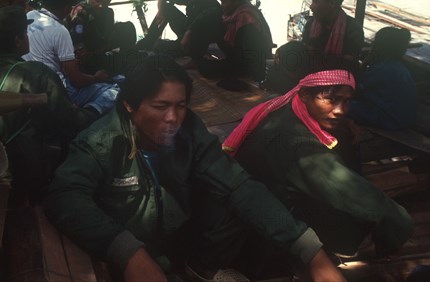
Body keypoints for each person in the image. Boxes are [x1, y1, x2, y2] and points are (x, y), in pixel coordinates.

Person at [46, 55, 346, 282]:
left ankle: (202, 268)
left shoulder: (190, 132)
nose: (172, 118)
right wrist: (127, 252)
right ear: (129, 105)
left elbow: (238, 185)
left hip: (179, 243)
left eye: (181, 105)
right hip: (132, 257)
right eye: (160, 106)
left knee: (241, 189)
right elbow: (65, 196)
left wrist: (310, 251)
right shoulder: (99, 142)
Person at [224, 70, 414, 258]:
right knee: (355, 218)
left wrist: (347, 123)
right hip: (253, 226)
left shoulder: (285, 103)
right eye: (331, 99)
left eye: (346, 101)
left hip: (254, 195)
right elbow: (353, 193)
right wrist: (398, 222)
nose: (340, 110)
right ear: (305, 95)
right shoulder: (299, 145)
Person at [0, 5, 98, 196]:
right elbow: (70, 119)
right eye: (25, 33)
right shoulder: (36, 73)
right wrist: (96, 110)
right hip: (22, 175)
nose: (28, 36)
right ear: (17, 41)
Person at [24, 0, 119, 116]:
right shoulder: (62, 30)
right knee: (115, 90)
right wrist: (96, 78)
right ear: (68, 8)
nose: (101, 6)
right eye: (97, 0)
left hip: (31, 84)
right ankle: (87, 115)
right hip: (57, 92)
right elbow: (76, 80)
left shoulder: (29, 17)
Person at [197, 0, 273, 81]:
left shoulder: (245, 19)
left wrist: (218, 39)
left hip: (249, 67)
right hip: (240, 59)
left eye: (224, 2)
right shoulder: (239, 12)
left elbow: (239, 56)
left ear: (236, 1)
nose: (221, 5)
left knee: (204, 66)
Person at [137, 0, 222, 59]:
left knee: (160, 47)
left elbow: (202, 29)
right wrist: (161, 11)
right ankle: (149, 40)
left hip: (197, 38)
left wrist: (186, 37)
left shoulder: (211, 6)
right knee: (166, 7)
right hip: (186, 30)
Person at [350, 27, 417, 130]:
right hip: (402, 118)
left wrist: (364, 64)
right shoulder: (397, 66)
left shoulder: (382, 69)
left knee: (339, 105)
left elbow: (354, 88)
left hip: (390, 119)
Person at [67, 0, 137, 74]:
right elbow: (77, 46)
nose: (101, 6)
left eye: (106, 3)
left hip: (100, 51)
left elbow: (107, 38)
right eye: (97, 1)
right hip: (83, 58)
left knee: (127, 28)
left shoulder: (108, 13)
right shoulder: (80, 12)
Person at [301, 0, 363, 73]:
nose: (311, 6)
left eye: (316, 1)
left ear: (332, 3)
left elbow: (348, 68)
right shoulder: (310, 24)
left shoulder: (353, 30)